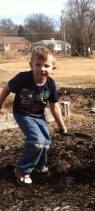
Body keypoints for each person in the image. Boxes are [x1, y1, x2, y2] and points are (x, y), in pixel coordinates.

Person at [0, 47, 67, 185]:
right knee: (37, 140)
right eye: (38, 65)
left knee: (46, 142)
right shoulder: (23, 78)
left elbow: (54, 107)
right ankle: (22, 170)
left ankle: (38, 165)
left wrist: (62, 127)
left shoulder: (50, 84)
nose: (42, 68)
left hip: (38, 115)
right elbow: (7, 89)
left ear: (53, 68)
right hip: (23, 114)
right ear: (31, 64)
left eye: (46, 65)